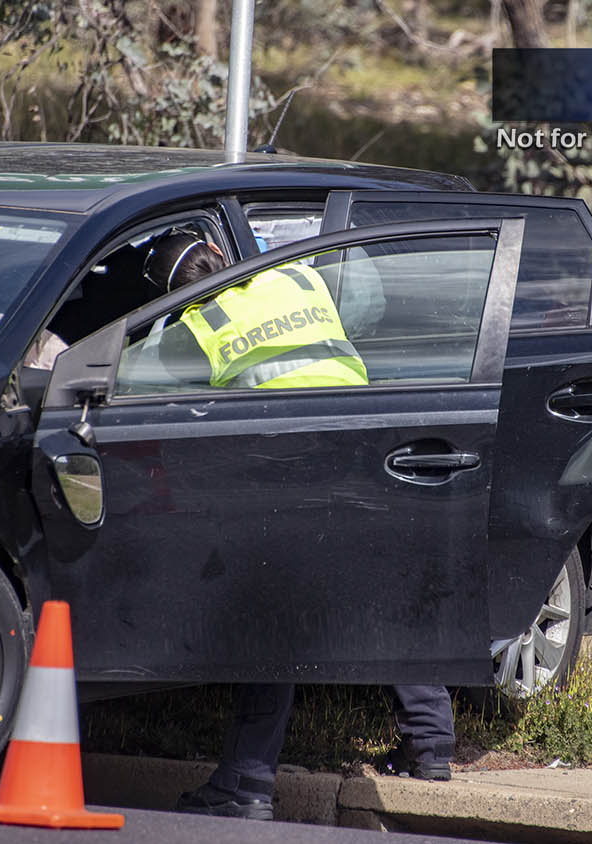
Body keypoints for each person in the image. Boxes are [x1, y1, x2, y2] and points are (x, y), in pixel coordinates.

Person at [138, 232, 458, 820]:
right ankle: (431, 743)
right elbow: (363, 311)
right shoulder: (295, 276)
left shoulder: (200, 324)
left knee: (275, 623)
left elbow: (137, 379)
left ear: (172, 295)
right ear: (217, 247)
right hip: (363, 448)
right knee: (377, 597)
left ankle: (246, 783)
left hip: (291, 471)